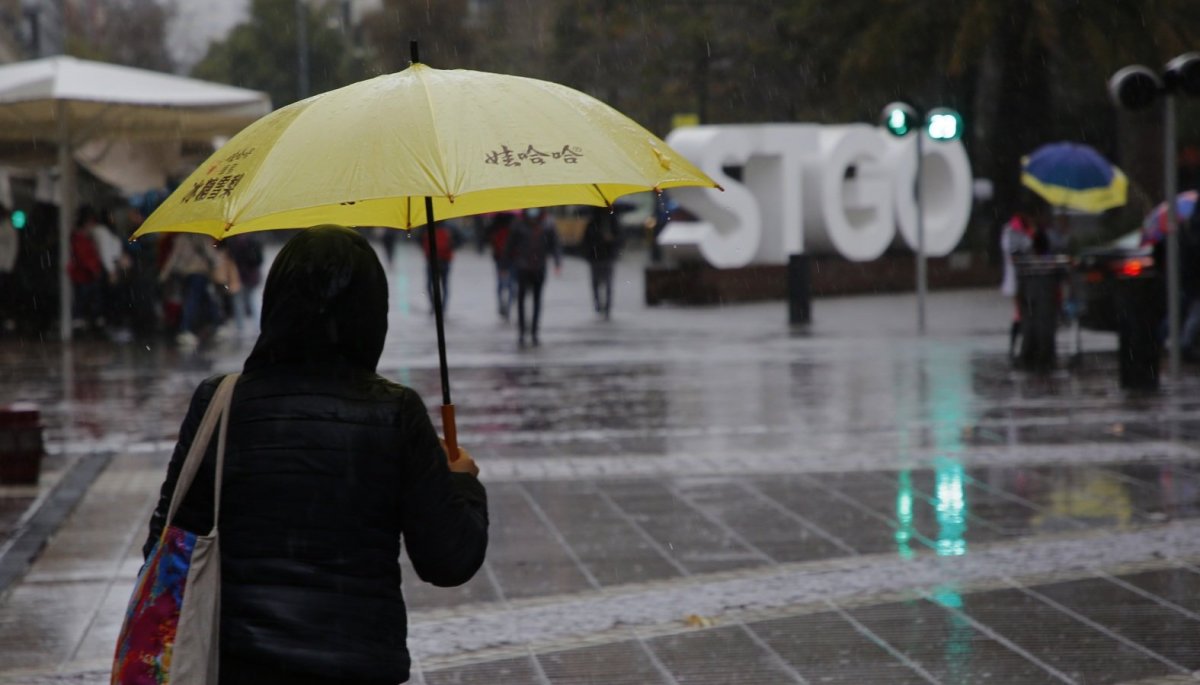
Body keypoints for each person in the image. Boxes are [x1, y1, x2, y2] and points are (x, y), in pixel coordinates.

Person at [142, 226, 488, 685]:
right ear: (372, 313)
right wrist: (460, 480)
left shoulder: (220, 402)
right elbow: (448, 560)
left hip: (238, 666)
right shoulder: (394, 412)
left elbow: (162, 549)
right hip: (357, 667)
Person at [505, 207, 561, 347]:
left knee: (537, 300)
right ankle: (522, 332)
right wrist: (504, 265)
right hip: (523, 268)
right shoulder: (518, 224)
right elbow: (509, 245)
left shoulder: (547, 223)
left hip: (539, 268)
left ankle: (535, 332)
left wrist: (557, 262)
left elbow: (555, 244)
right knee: (521, 300)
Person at [160, 233, 218, 347]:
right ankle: (186, 328)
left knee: (198, 299)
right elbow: (213, 257)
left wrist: (164, 274)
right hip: (200, 273)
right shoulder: (203, 238)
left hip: (185, 275)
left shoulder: (180, 238)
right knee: (194, 300)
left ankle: (214, 322)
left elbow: (174, 257)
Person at [67, 206, 106, 335]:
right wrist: (94, 268)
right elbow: (84, 257)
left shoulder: (86, 239)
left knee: (86, 301)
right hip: (83, 276)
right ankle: (82, 325)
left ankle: (86, 324)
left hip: (87, 276)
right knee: (83, 301)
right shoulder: (80, 239)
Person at [580, 206, 622, 319]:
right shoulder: (593, 222)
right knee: (596, 282)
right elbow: (587, 240)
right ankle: (598, 304)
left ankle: (607, 306)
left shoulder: (613, 221)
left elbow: (620, 238)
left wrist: (612, 242)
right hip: (596, 257)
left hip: (607, 256)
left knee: (607, 282)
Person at [485, 212, 515, 319]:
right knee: (511, 284)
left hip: (499, 258)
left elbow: (489, 239)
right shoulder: (514, 224)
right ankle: (508, 306)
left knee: (501, 283)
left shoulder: (495, 224)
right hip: (511, 259)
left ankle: (501, 304)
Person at [420, 221, 454, 314]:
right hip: (441, 261)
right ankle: (441, 307)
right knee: (442, 285)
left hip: (435, 261)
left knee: (433, 285)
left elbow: (420, 241)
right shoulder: (448, 229)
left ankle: (437, 307)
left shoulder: (428, 229)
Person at [0, 204, 18, 333]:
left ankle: (7, 321)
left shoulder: (8, 227)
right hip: (4, 266)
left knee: (4, 295)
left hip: (4, 267)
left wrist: (8, 265)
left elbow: (13, 248)